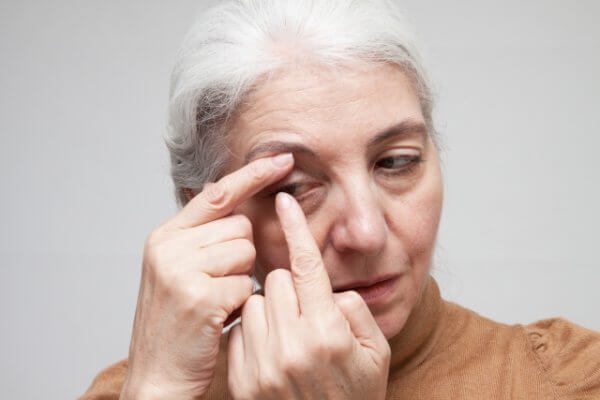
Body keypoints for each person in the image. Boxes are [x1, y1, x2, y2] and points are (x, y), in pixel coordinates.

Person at [81, 1, 600, 399]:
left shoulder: (567, 380)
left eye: (396, 162)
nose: (367, 232)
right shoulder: (139, 390)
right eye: (293, 188)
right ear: (207, 217)